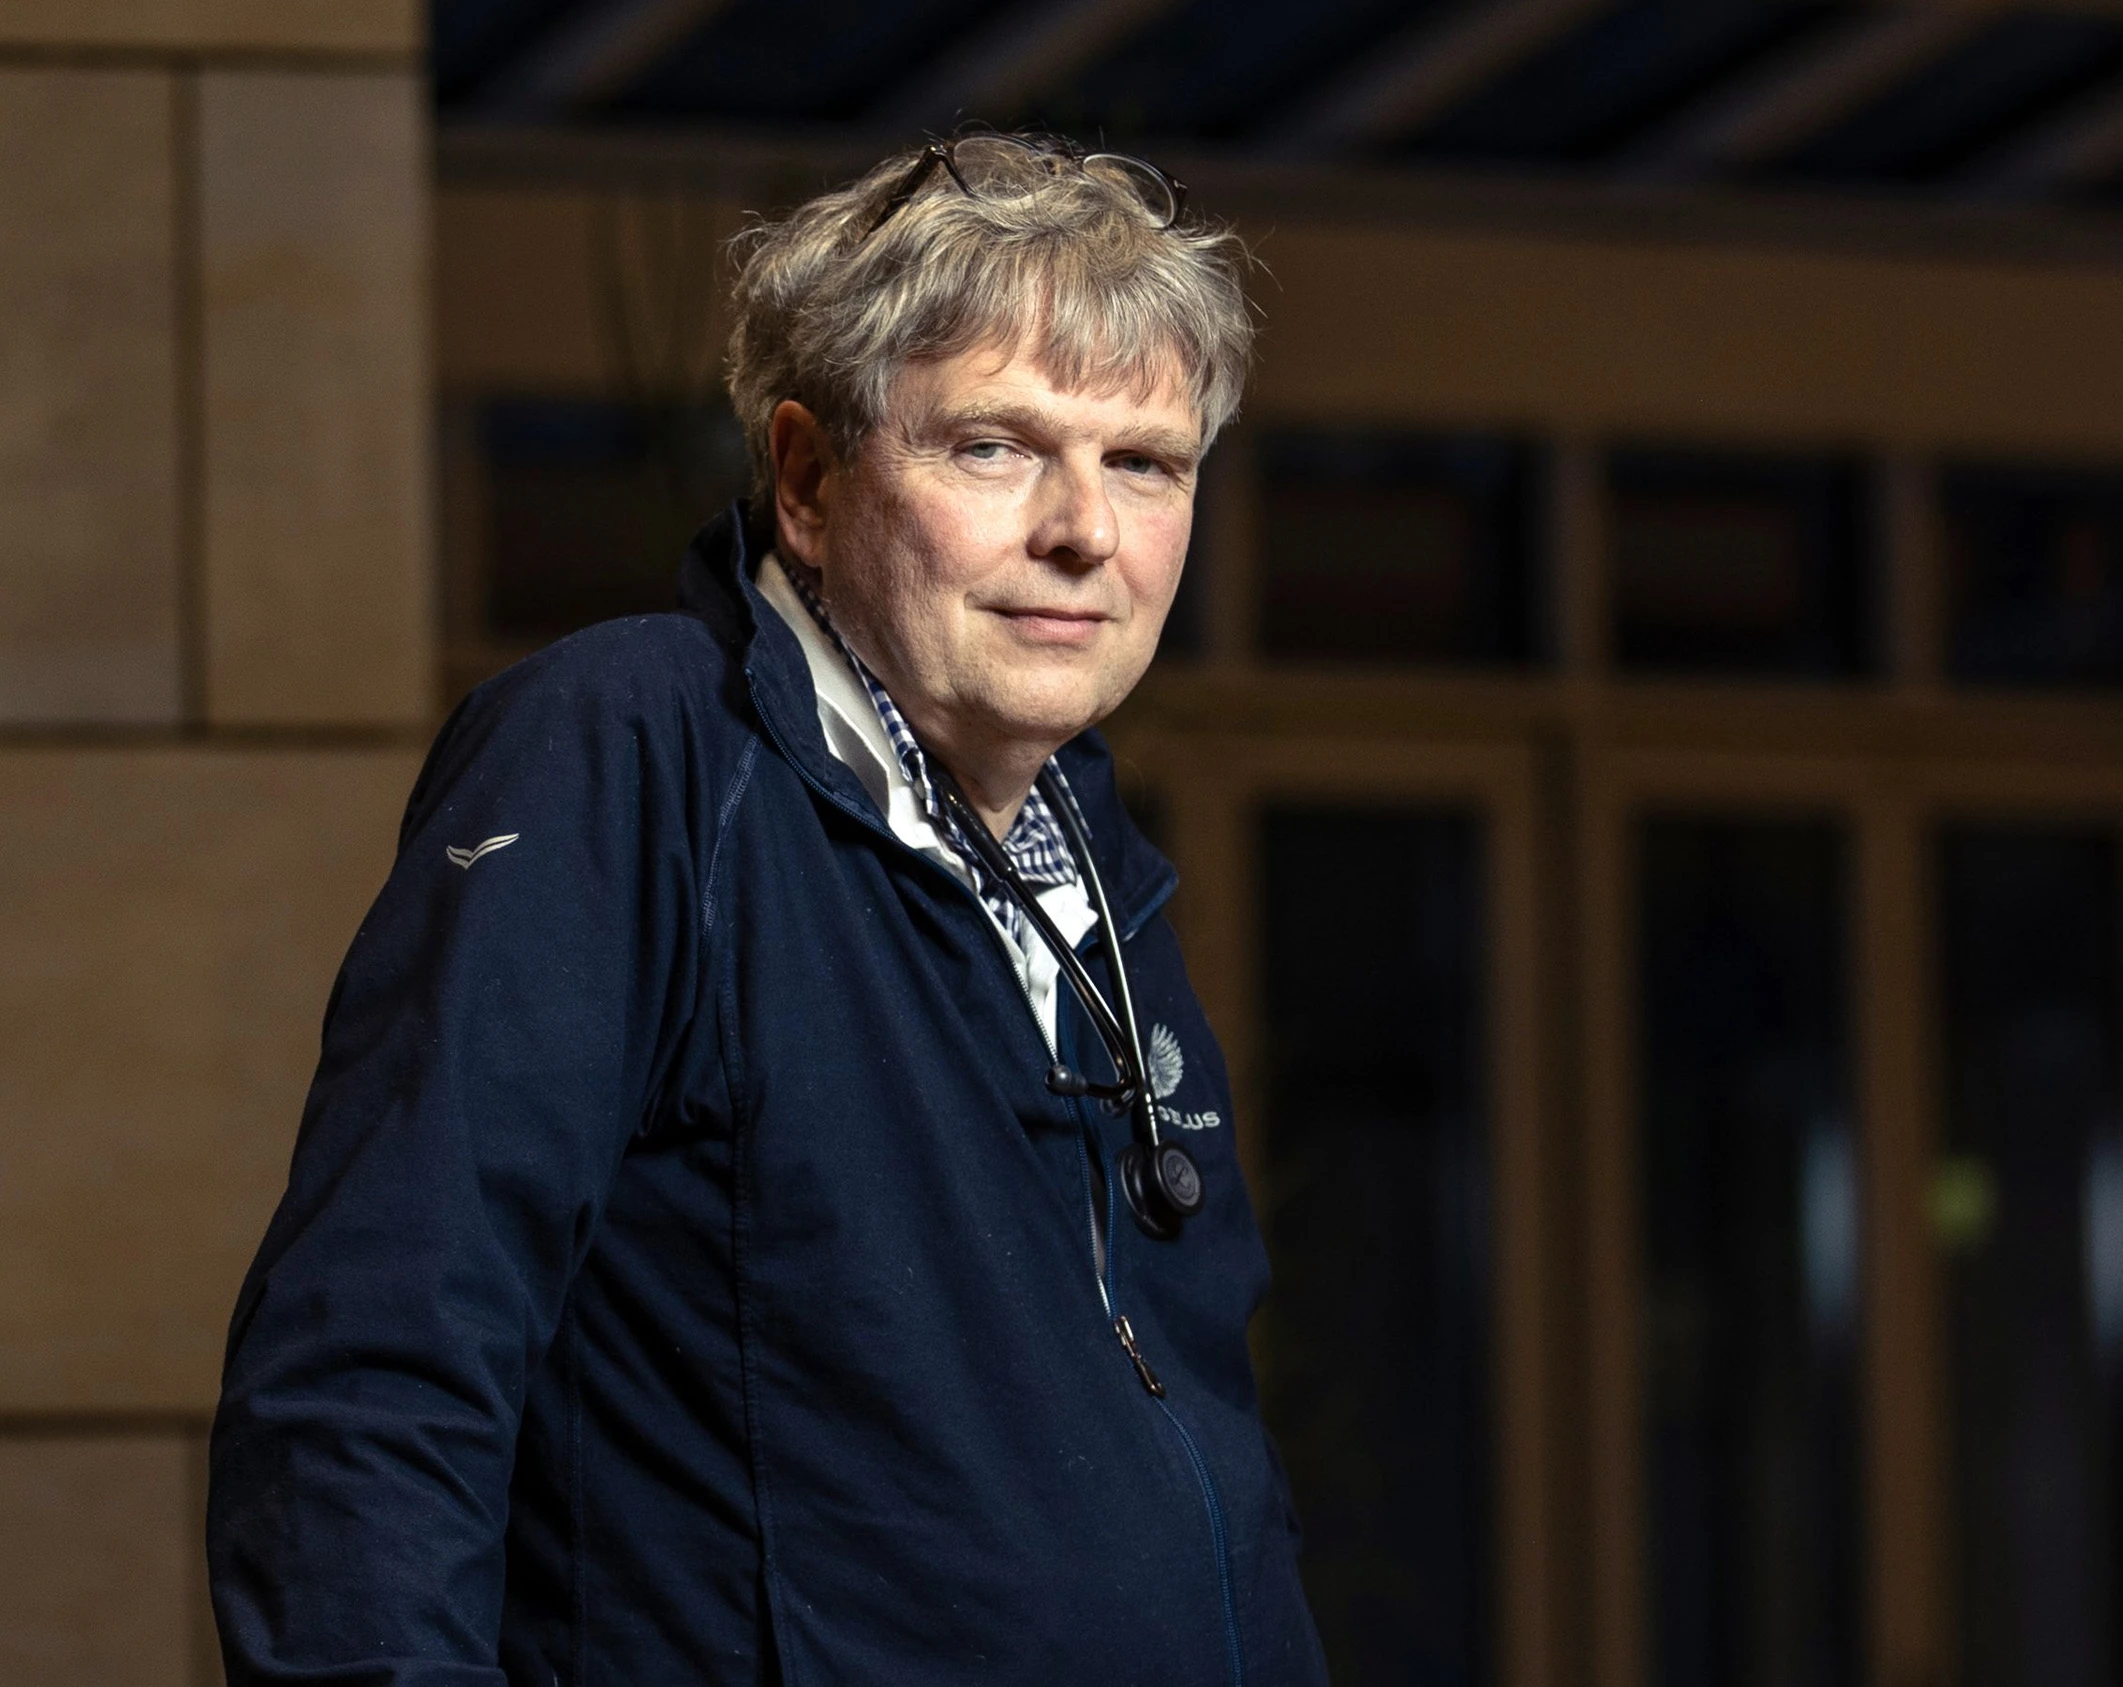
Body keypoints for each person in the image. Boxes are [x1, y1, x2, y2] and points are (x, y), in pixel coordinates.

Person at [209, 132, 1327, 1687]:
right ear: (806, 477)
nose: (1084, 527)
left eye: (1144, 462)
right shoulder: (637, 753)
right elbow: (370, 1380)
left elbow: (1198, 1469)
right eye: (995, 446)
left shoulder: (1095, 869)